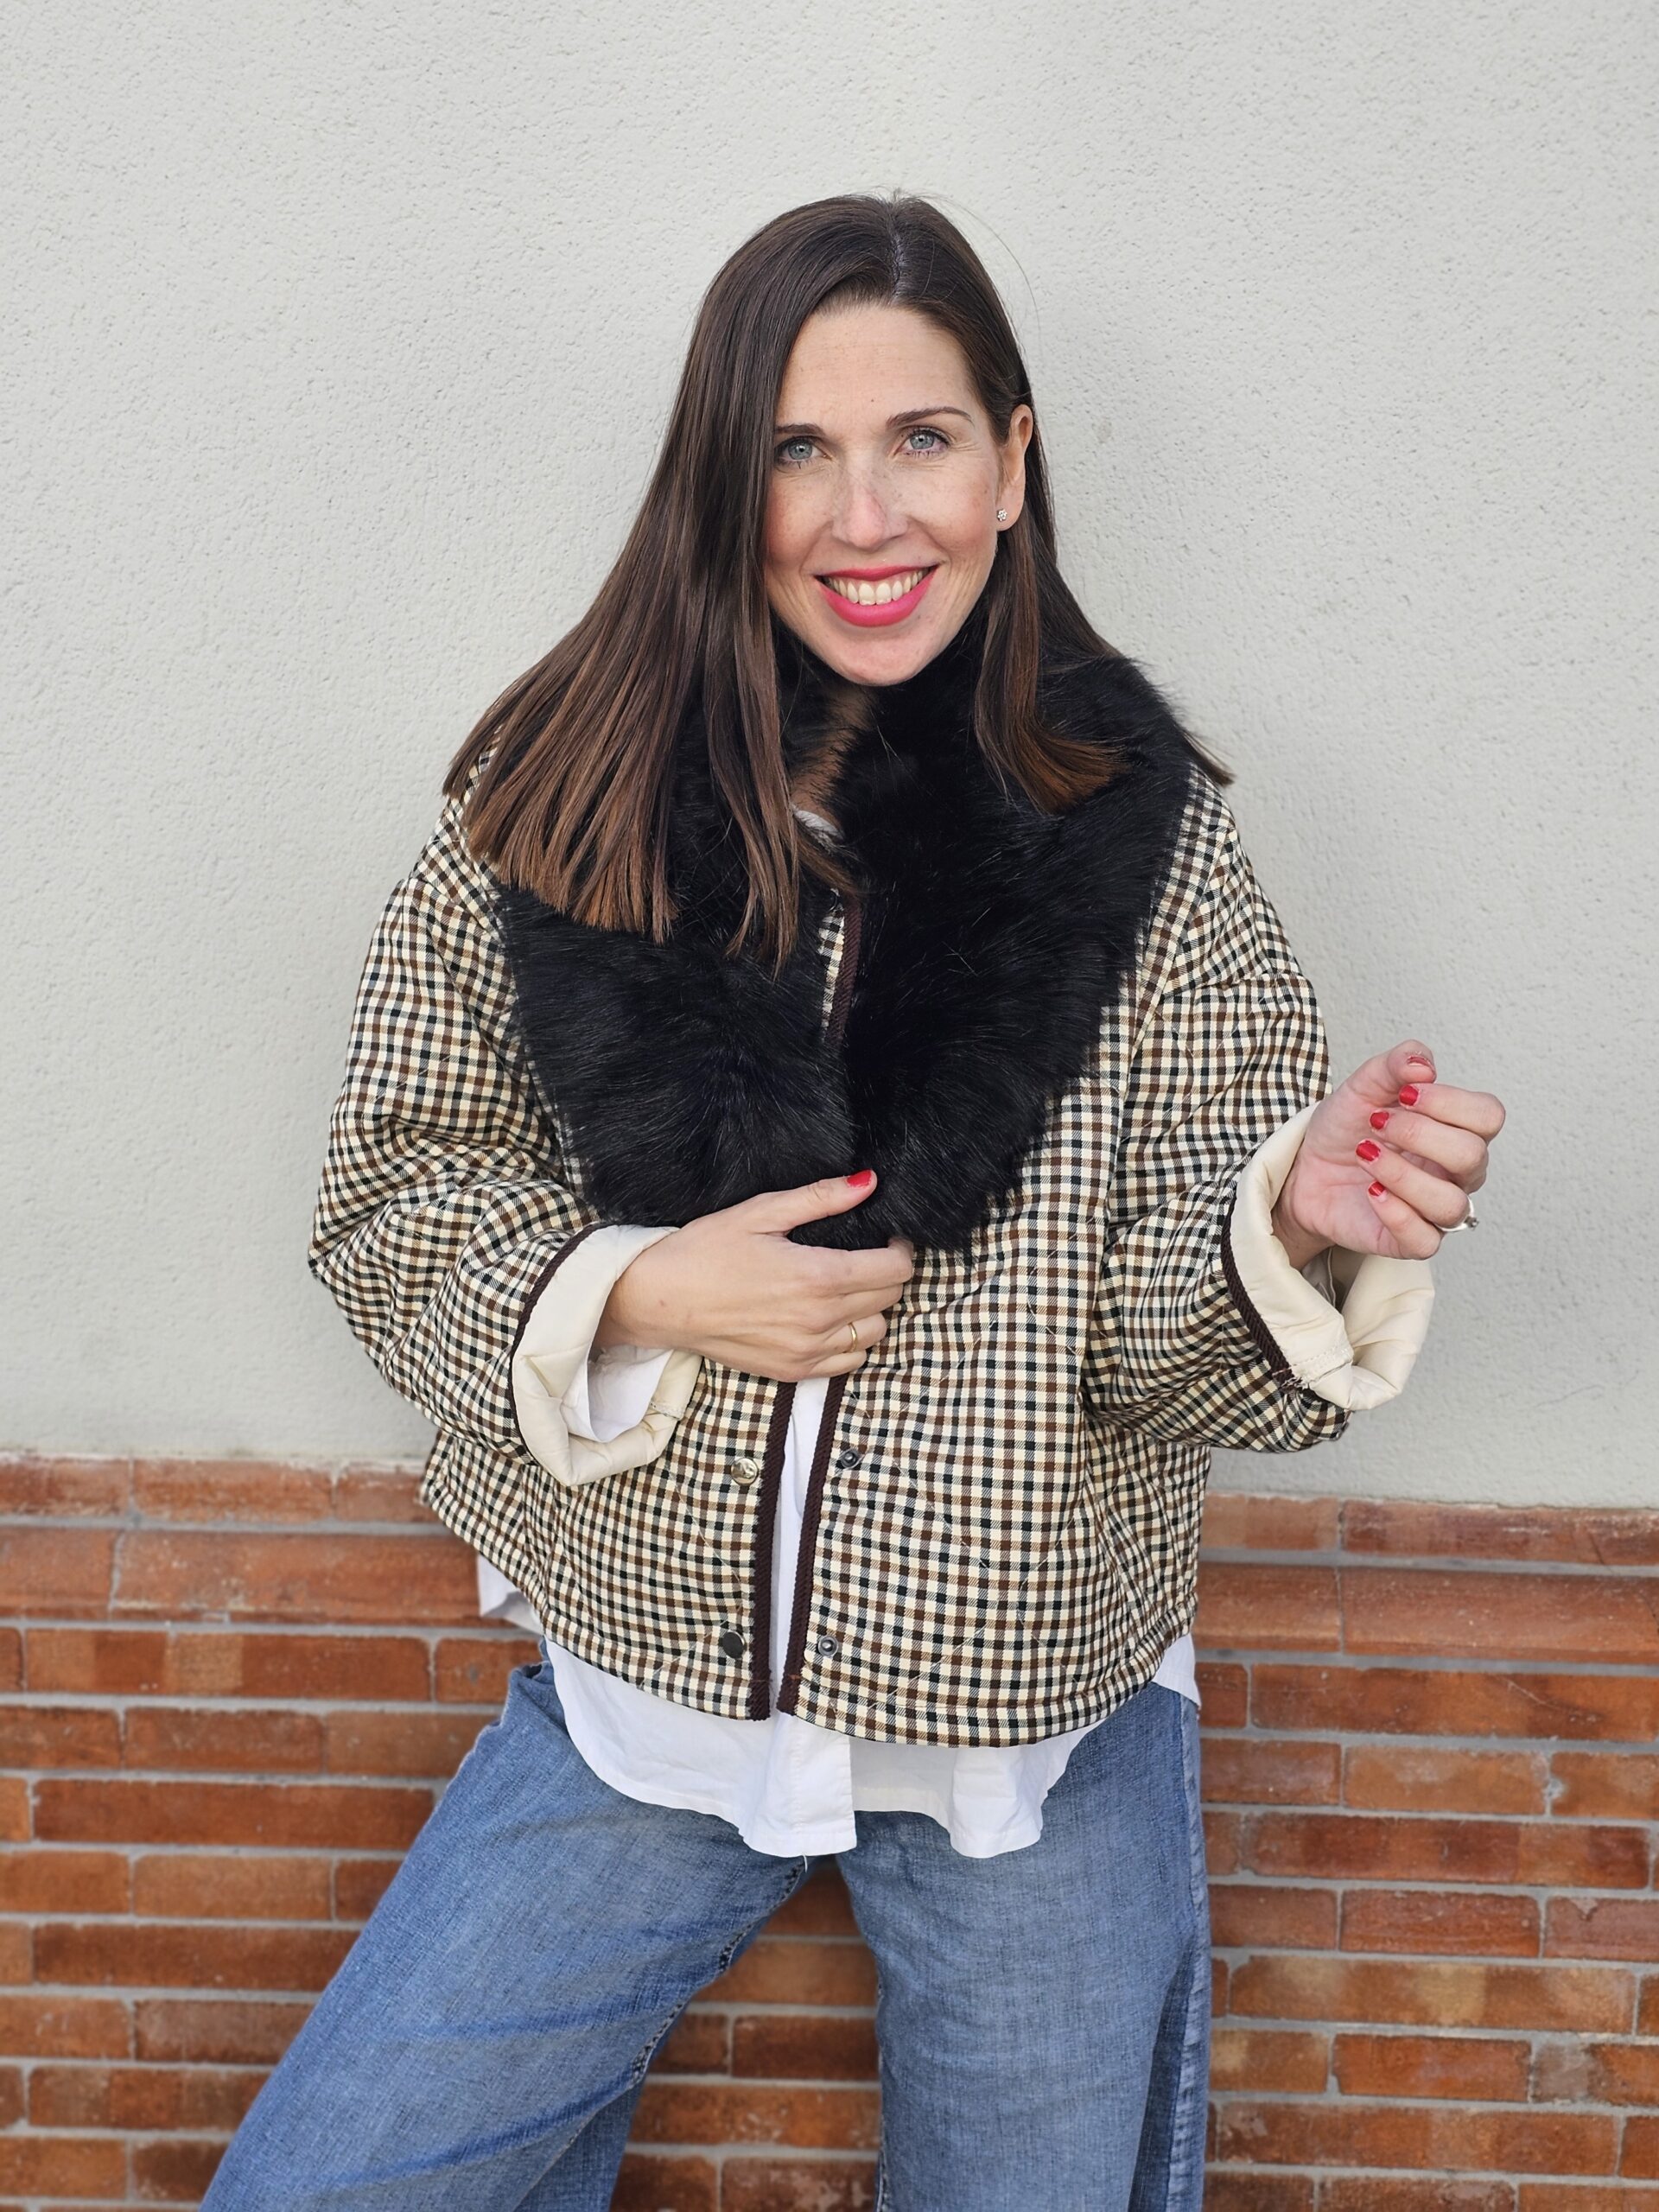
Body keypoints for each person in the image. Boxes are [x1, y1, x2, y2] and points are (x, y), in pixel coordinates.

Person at [203, 193, 1504, 2212]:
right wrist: (642, 1288)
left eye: (921, 438)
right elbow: (391, 1195)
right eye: (796, 448)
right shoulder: (554, 806)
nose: (863, 514)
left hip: (1026, 1728)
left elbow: (1162, 1350)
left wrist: (1303, 1221)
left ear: (1013, 460)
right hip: (642, 1697)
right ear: (719, 481)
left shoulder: (1156, 856)